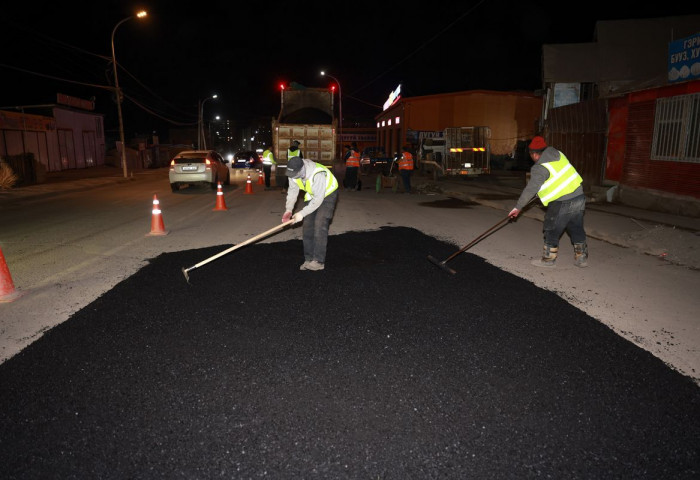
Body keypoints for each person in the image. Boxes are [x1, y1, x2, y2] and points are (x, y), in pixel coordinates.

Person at [508, 136, 588, 268]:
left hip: (562, 202)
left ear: (534, 154)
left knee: (551, 228)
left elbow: (530, 189)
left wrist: (518, 207)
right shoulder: (559, 154)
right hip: (579, 197)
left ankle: (549, 259)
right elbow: (558, 177)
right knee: (576, 227)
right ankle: (582, 257)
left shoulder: (539, 168)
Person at [282, 156, 339, 271]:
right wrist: (288, 210)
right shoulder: (293, 173)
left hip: (328, 193)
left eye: (294, 175)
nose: (292, 177)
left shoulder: (317, 174)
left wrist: (301, 213)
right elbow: (293, 192)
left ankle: (318, 261)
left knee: (320, 223)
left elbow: (318, 200)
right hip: (313, 194)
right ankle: (309, 259)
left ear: (302, 169)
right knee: (307, 226)